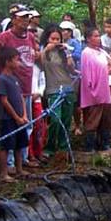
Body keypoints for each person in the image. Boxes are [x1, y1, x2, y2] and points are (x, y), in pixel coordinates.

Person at [0, 4, 40, 168]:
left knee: (27, 124)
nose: (26, 20)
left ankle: (23, 159)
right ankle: (10, 163)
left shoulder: (31, 37)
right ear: (14, 19)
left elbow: (35, 57)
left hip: (26, 86)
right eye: (22, 17)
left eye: (28, 17)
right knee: (10, 125)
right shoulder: (3, 38)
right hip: (9, 86)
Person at [40, 25, 75, 164]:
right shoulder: (44, 52)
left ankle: (63, 147)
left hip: (67, 88)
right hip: (52, 89)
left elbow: (71, 68)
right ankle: (49, 147)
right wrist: (46, 50)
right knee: (55, 119)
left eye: (58, 39)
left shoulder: (63, 52)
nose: (55, 41)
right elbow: (40, 64)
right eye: (52, 38)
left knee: (66, 120)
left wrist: (68, 53)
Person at [0, 47, 29, 182]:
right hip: (8, 119)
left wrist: (24, 115)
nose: (19, 62)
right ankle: (4, 174)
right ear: (7, 62)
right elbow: (4, 101)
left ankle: (19, 169)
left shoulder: (14, 78)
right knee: (6, 145)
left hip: (20, 118)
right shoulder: (2, 79)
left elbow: (21, 97)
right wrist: (16, 117)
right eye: (16, 60)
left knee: (19, 144)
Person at [80, 27, 111, 152]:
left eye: (99, 36)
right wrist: (91, 88)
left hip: (105, 89)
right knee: (93, 118)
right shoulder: (86, 53)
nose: (98, 38)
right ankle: (90, 146)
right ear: (88, 38)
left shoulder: (102, 52)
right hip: (94, 90)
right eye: (95, 36)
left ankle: (104, 143)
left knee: (106, 118)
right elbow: (86, 73)